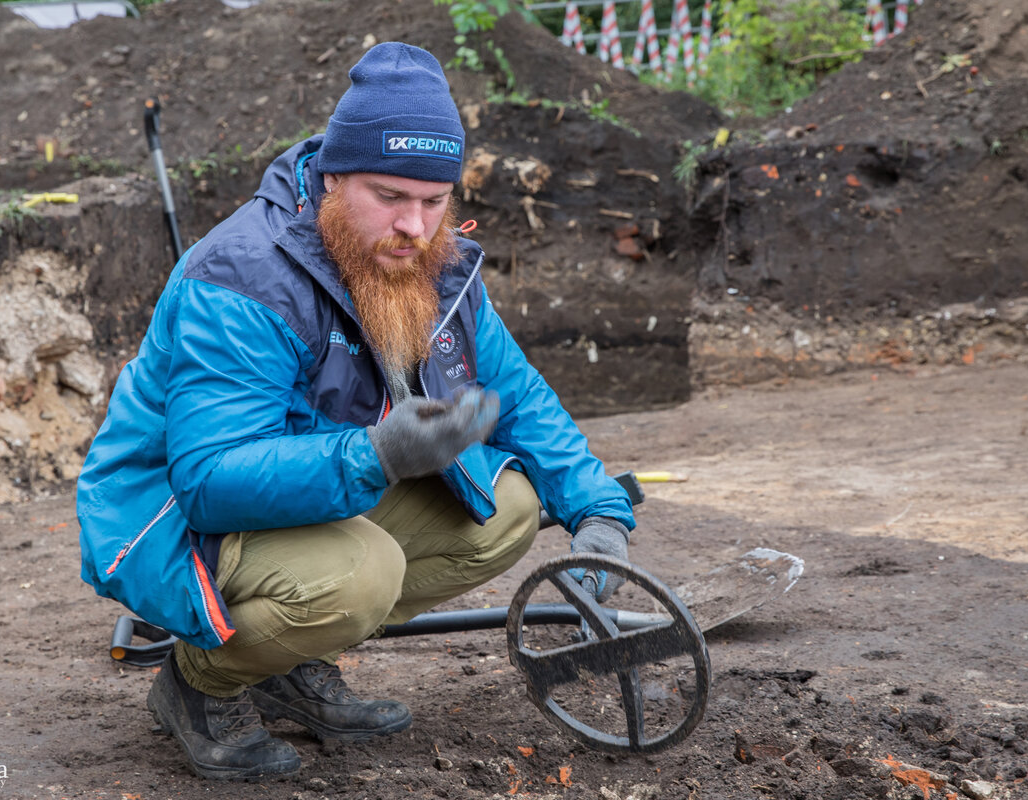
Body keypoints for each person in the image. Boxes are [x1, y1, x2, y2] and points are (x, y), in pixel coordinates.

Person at [77, 42, 636, 781]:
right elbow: (208, 478)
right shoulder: (243, 277)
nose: (415, 226)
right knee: (361, 574)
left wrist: (599, 512)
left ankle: (286, 662)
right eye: (390, 196)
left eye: (434, 202)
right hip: (173, 516)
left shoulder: (437, 264)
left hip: (311, 489)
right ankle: (199, 686)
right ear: (333, 177)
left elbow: (516, 393)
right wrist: (376, 456)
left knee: (506, 509)